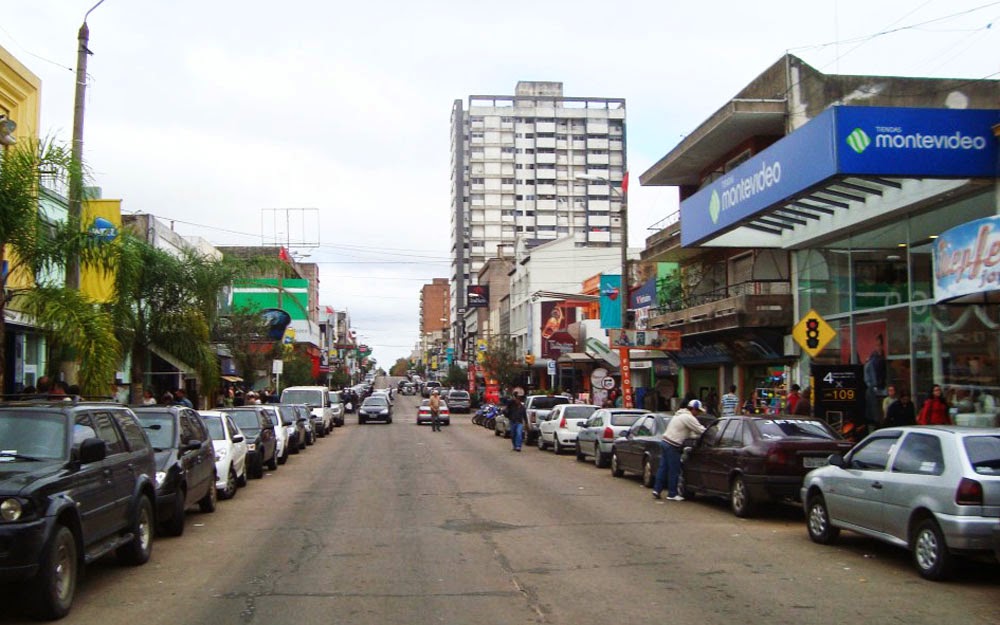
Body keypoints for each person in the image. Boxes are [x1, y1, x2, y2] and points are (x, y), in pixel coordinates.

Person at [653, 399, 708, 501]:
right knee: (674, 470)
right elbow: (700, 430)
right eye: (698, 411)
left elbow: (690, 433)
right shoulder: (689, 417)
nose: (698, 414)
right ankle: (672, 494)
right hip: (673, 445)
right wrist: (711, 432)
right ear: (694, 409)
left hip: (665, 441)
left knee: (663, 468)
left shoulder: (679, 415)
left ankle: (657, 489)